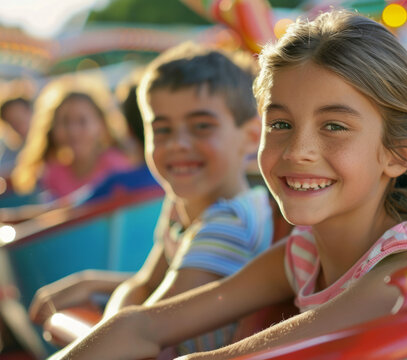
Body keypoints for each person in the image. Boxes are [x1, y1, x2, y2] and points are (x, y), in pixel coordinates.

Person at [50, 10, 407, 360]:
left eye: (334, 126)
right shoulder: (303, 252)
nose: (298, 150)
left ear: (398, 153)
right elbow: (145, 323)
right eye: (280, 124)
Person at [29, 42, 274, 356]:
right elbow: (144, 285)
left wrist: (110, 324)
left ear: (252, 136)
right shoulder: (180, 205)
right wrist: (95, 287)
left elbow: (146, 327)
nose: (178, 144)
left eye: (201, 126)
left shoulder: (229, 223)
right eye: (162, 130)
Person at [10, 74, 135, 201]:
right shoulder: (52, 174)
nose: (73, 131)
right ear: (52, 128)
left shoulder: (116, 165)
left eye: (82, 121)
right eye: (65, 122)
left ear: (101, 124)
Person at [0, 97, 33, 177]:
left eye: (18, 118)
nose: (17, 126)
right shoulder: (13, 149)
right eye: (12, 122)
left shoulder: (51, 141)